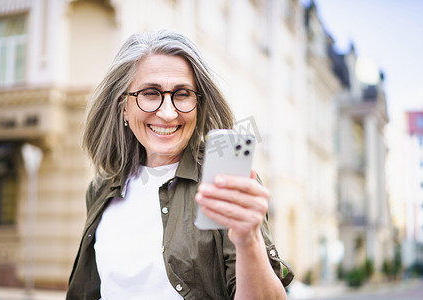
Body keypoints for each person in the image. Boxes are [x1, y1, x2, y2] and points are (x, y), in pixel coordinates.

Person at [67, 30, 293, 300]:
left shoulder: (224, 180)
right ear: (123, 106)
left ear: (198, 104)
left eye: (182, 94)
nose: (167, 112)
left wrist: (249, 241)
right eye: (150, 93)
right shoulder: (101, 188)